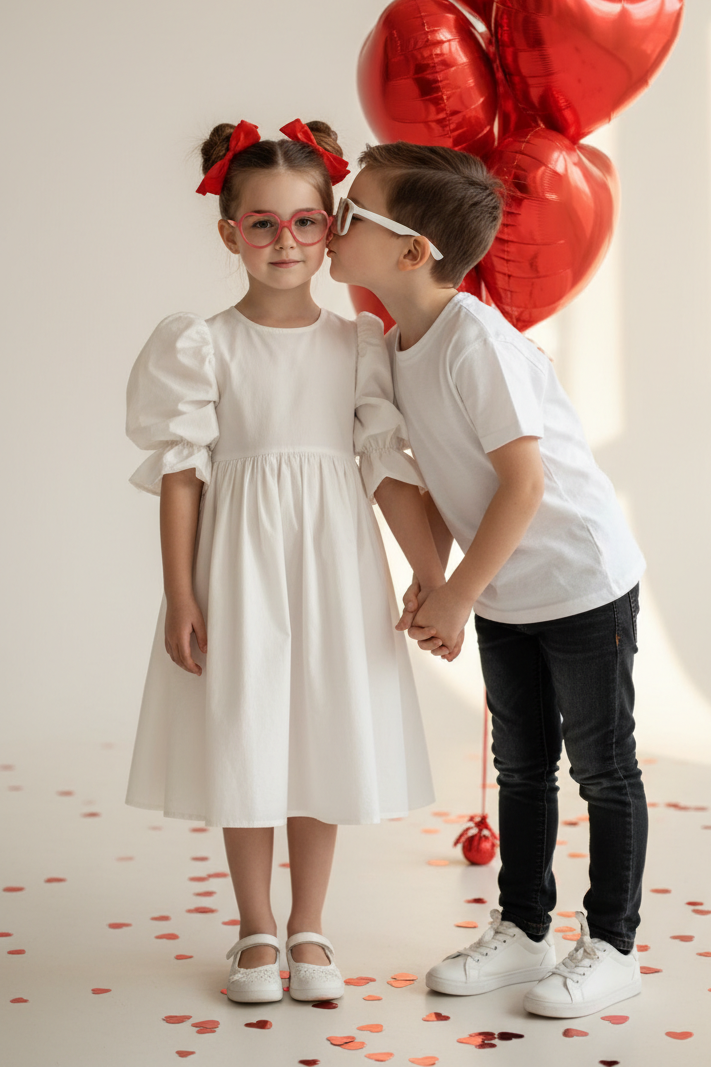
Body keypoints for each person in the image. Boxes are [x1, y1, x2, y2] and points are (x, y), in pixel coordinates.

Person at [327, 140, 647, 1019]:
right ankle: (525, 927)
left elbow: (525, 482)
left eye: (353, 213)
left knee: (603, 768)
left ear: (411, 251)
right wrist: (440, 584)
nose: (335, 225)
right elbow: (414, 482)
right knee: (520, 766)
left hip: (581, 583)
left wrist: (458, 592)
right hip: (505, 590)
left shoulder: (474, 340)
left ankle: (614, 945)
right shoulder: (395, 347)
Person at [125, 119, 441, 1006]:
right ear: (230, 233)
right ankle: (255, 926)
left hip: (331, 563)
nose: (285, 242)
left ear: (331, 226)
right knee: (248, 730)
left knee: (320, 730)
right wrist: (179, 591)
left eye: (305, 223)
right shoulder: (202, 344)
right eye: (261, 224)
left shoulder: (357, 345)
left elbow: (383, 470)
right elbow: (183, 475)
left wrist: (437, 576)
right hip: (242, 566)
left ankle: (310, 924)